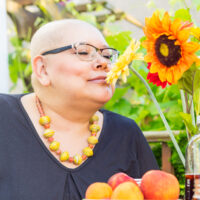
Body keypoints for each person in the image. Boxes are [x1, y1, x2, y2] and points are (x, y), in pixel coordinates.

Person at [0, 19, 159, 199]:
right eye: (84, 52)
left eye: (107, 55)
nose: (103, 63)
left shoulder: (125, 133)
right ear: (43, 69)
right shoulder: (3, 117)